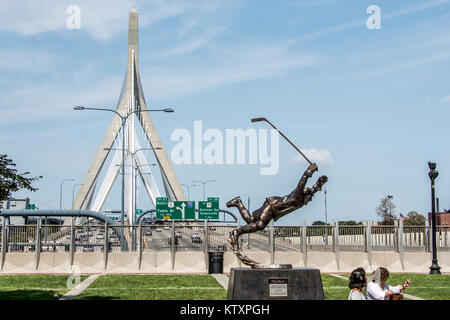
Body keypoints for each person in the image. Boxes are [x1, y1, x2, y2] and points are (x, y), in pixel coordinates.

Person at [227, 162, 328, 245]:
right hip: (273, 206)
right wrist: (310, 170)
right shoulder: (298, 195)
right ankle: (237, 232)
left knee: (251, 220)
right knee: (260, 225)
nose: (309, 201)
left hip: (273, 207)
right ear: (305, 195)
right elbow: (302, 181)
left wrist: (321, 182)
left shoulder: (302, 200)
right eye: (309, 198)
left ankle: (238, 203)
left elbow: (314, 189)